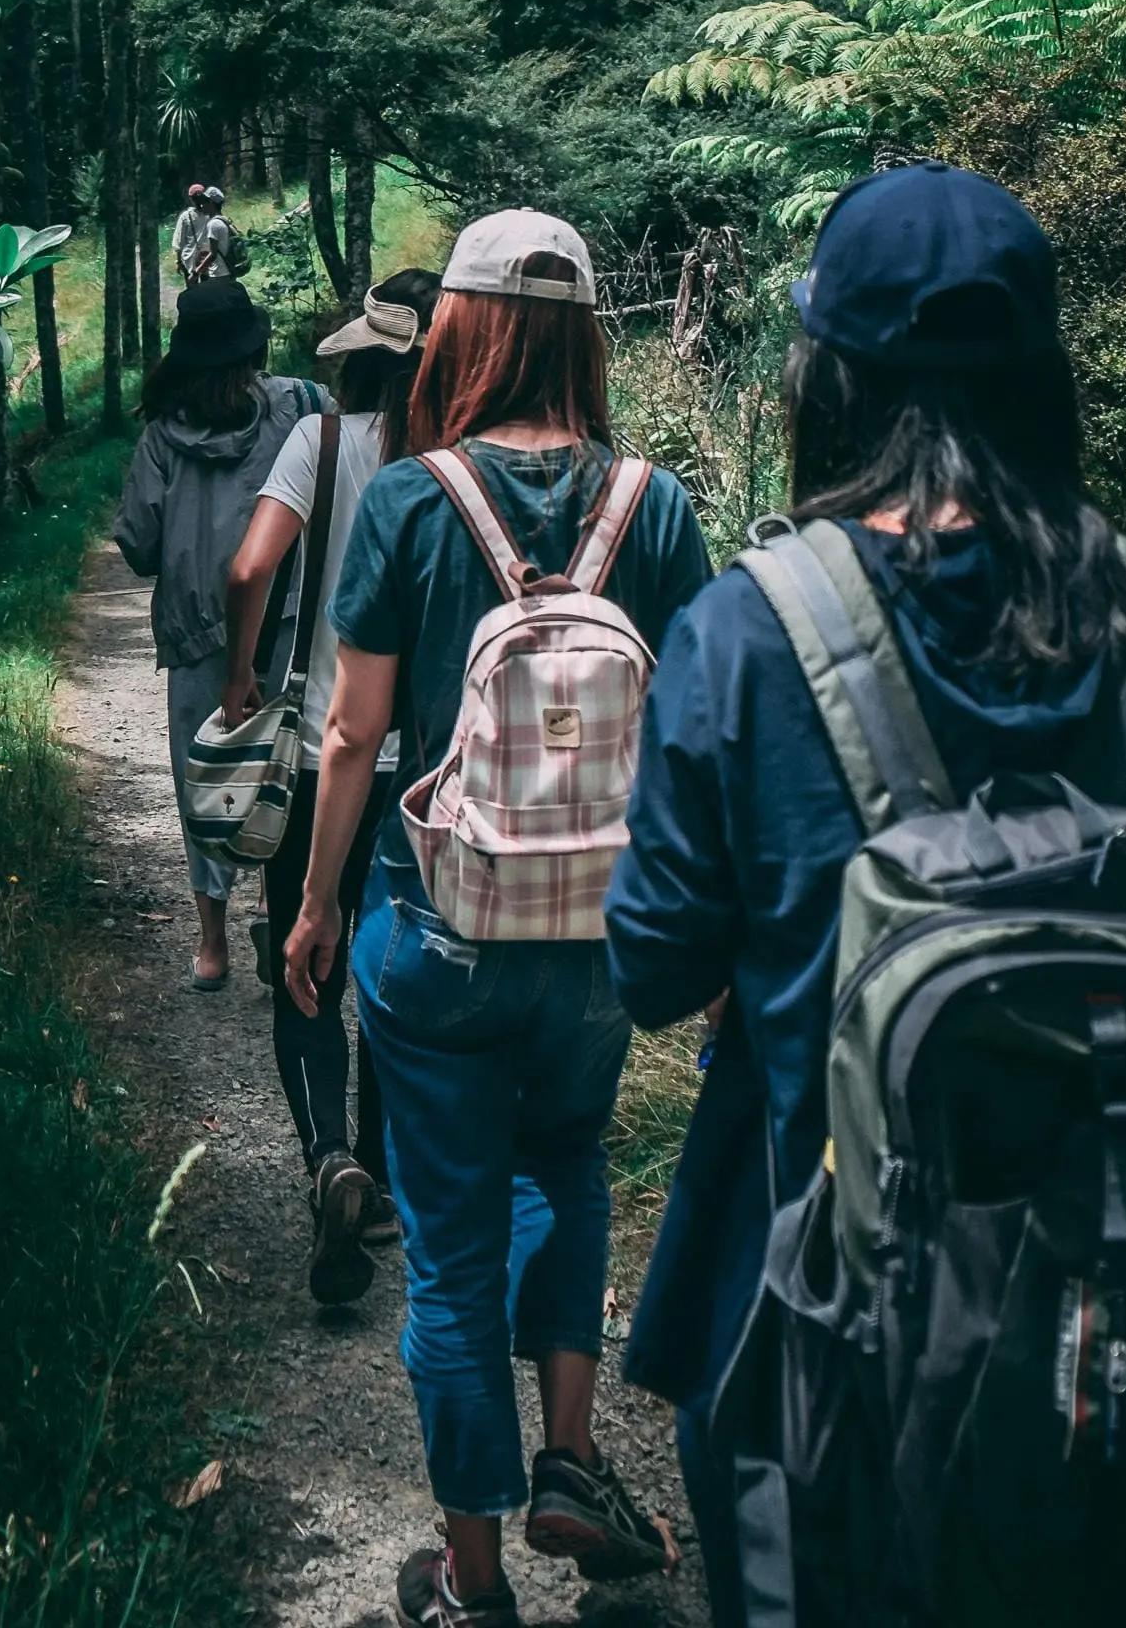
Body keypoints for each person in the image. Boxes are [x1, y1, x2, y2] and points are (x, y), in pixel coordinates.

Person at [605, 162, 1126, 1628]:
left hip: (817, 1347)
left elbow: (650, 963)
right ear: (1043, 379)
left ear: (832, 376)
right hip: (1116, 1349)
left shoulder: (748, 635)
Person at [283, 209, 711, 1628]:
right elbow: (698, 729)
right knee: (569, 1163)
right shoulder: (654, 504)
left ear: (455, 329)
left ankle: (472, 1583)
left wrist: (320, 904)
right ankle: (573, 1462)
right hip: (600, 930)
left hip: (439, 918)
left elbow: (351, 739)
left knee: (451, 1246)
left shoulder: (413, 500)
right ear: (586, 335)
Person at [224, 270, 442, 1307]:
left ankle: (326, 1158)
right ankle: (384, 1173)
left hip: (320, 757)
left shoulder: (319, 443)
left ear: (360, 356)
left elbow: (245, 569)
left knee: (301, 965)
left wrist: (239, 674)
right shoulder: (456, 468)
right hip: (429, 779)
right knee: (390, 973)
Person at [112, 279, 323, 992]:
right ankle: (276, 903)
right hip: (288, 619)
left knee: (203, 780)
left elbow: (138, 543)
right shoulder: (299, 406)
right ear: (254, 344)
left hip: (198, 629)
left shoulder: (162, 435)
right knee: (289, 767)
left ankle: (212, 944)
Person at [170, 182, 210, 284]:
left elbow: (179, 241)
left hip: (190, 259)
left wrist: (179, 261)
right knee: (208, 291)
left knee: (192, 291)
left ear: (191, 199)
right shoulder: (211, 214)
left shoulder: (186, 216)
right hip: (207, 259)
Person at [197, 184, 236, 282]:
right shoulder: (224, 220)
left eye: (205, 202)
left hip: (219, 273)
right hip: (229, 271)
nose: (202, 205)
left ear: (211, 203)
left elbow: (213, 254)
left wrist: (197, 270)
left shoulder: (213, 224)